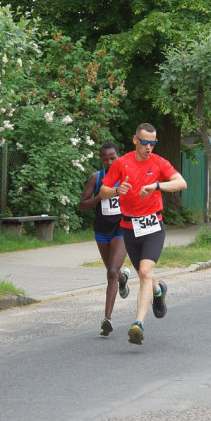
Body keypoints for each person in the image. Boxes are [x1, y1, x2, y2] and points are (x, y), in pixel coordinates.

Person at [98, 124, 187, 345]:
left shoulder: (158, 162)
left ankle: (138, 324)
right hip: (129, 228)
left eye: (153, 143)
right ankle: (159, 292)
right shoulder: (121, 163)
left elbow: (181, 183)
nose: (149, 147)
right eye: (145, 142)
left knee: (145, 272)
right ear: (135, 140)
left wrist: (157, 186)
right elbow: (103, 191)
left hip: (153, 226)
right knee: (145, 275)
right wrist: (117, 191)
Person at [79, 142, 131, 337]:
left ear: (119, 156)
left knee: (111, 271)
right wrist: (99, 197)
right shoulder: (97, 177)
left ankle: (107, 319)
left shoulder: (127, 177)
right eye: (105, 159)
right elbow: (82, 205)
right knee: (113, 271)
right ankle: (124, 279)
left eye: (112, 158)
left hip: (122, 228)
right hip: (102, 230)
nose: (109, 162)